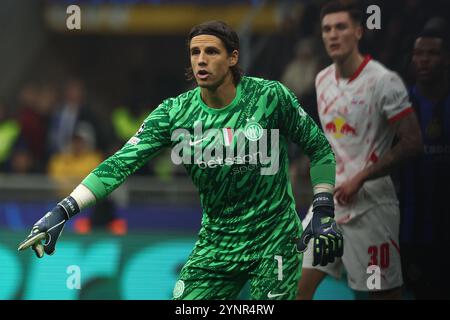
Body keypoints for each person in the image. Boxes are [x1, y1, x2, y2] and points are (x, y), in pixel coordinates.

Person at [18, 20, 343, 300]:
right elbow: (118, 165)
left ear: (233, 58)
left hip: (273, 241)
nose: (201, 60)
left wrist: (324, 208)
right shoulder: (175, 113)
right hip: (216, 245)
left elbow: (320, 149)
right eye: (195, 52)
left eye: (211, 52)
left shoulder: (271, 98)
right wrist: (63, 210)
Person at [297, 1, 422, 300]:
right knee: (293, 288)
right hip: (329, 206)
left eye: (340, 27)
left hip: (372, 209)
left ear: (358, 32)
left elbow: (413, 142)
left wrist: (361, 177)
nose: (333, 35)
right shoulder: (322, 79)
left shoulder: (384, 82)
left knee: (382, 296)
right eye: (327, 29)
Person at [399, 27, 450, 299]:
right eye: (418, 54)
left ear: (447, 58)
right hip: (412, 232)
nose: (424, 60)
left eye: (432, 53)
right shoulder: (399, 105)